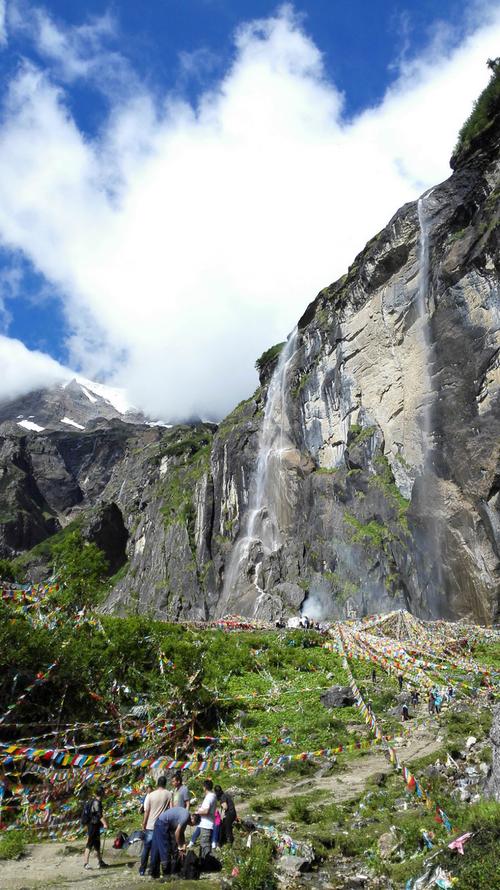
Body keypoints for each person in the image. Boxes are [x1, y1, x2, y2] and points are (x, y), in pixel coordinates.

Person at [149, 807, 199, 878]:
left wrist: (183, 845)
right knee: (165, 849)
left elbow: (181, 833)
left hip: (159, 822)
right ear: (193, 819)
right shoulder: (185, 817)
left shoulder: (185, 815)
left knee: (156, 848)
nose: (192, 825)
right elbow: (177, 833)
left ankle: (153, 873)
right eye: (193, 824)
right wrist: (179, 846)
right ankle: (166, 874)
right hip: (163, 824)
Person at [139, 775, 171, 876]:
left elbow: (146, 811)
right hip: (162, 825)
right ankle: (157, 870)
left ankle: (142, 869)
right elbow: (171, 809)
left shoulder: (150, 795)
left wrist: (144, 824)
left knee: (147, 848)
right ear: (165, 783)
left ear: (157, 784)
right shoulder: (169, 794)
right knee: (160, 848)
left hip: (150, 825)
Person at [83, 786, 108, 870]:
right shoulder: (96, 802)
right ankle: (86, 863)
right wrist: (105, 824)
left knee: (97, 844)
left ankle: (100, 862)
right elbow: (99, 815)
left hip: (95, 825)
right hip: (92, 825)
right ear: (101, 793)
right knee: (89, 844)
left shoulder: (95, 801)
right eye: (103, 792)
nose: (105, 793)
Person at [196, 779, 217, 858]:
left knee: (205, 844)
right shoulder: (213, 796)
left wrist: (197, 811)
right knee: (205, 844)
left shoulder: (209, 797)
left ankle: (207, 862)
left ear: (204, 787)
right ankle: (206, 862)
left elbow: (206, 811)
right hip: (209, 823)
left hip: (206, 824)